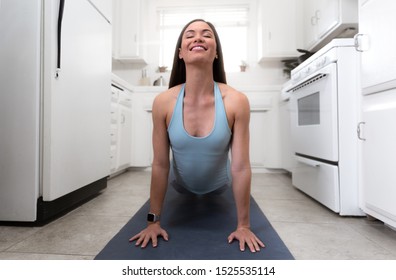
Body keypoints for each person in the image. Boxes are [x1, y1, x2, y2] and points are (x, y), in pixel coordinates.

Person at [129, 19, 265, 253]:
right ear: (181, 53)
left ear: (216, 53)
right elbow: (160, 165)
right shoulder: (163, 102)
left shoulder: (236, 101)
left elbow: (241, 167)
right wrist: (153, 221)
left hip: (220, 187)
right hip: (180, 187)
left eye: (207, 34)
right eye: (190, 35)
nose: (198, 38)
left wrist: (244, 225)